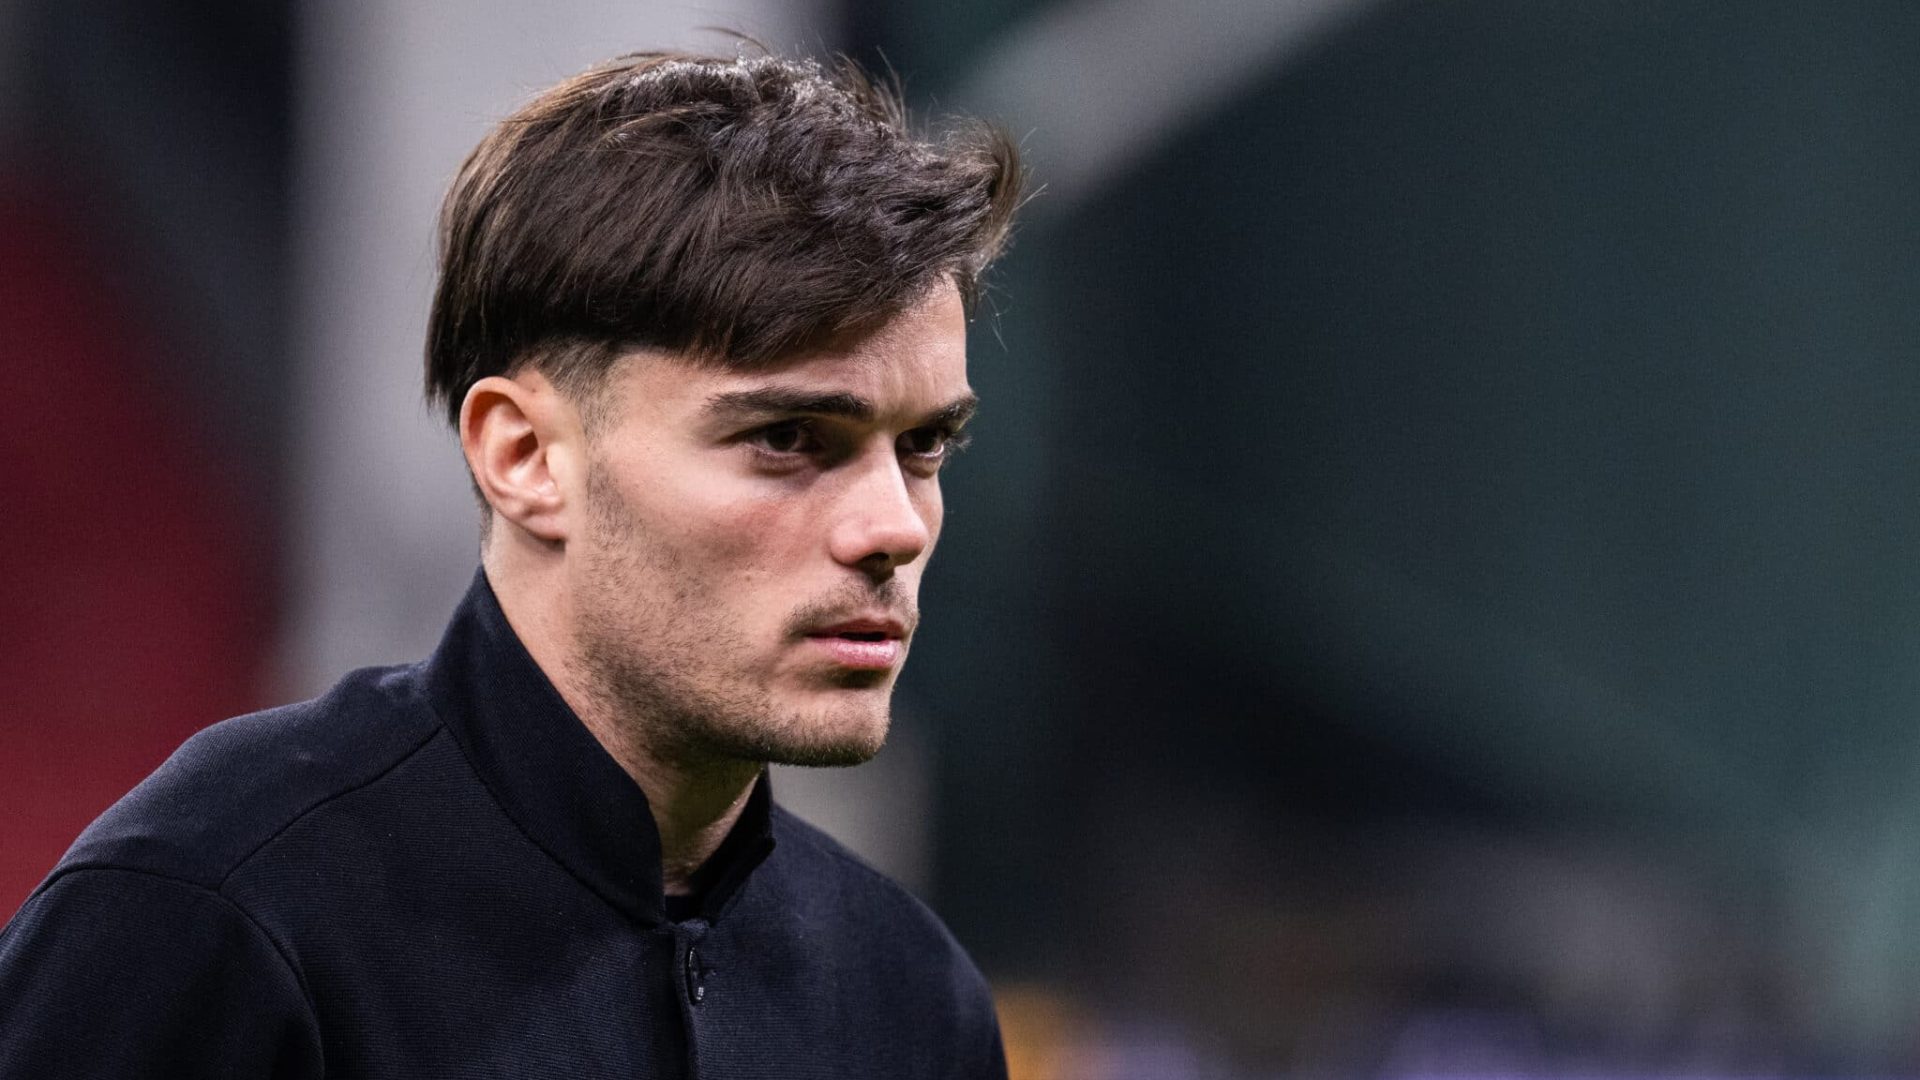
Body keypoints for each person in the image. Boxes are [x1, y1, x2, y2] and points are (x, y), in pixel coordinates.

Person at [0, 47, 1023, 1078]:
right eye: (787, 439)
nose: (894, 527)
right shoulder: (212, 916)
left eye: (923, 446)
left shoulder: (911, 999)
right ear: (526, 456)